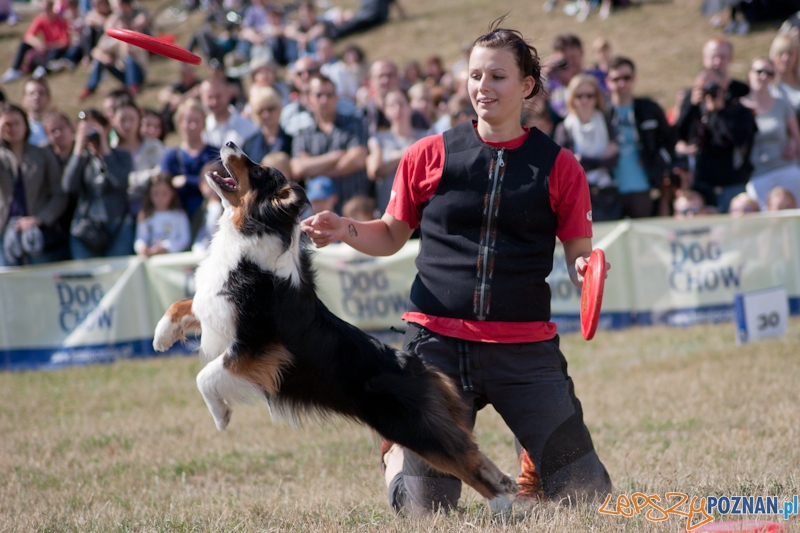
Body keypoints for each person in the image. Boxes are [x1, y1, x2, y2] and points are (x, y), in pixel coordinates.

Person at [302, 21, 612, 514]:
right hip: (437, 346)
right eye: (475, 76)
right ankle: (397, 450)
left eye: (498, 76)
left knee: (588, 496)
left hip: (524, 350)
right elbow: (392, 233)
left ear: (527, 86)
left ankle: (532, 459)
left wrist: (585, 269)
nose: (483, 87)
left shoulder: (561, 166)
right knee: (426, 512)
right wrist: (345, 228)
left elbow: (579, 250)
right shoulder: (427, 154)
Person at [605, 56, 677, 219]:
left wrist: (658, 162)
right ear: (608, 81)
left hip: (643, 186)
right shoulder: (602, 113)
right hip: (609, 189)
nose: (622, 83)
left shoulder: (649, 109)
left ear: (634, 79)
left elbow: (670, 139)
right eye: (616, 79)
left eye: (627, 78)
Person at [676, 69, 757, 212]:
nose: (709, 91)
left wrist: (720, 111)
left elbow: (739, 139)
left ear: (725, 85)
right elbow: (678, 134)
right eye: (704, 87)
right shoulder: (694, 107)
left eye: (713, 86)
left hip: (732, 180)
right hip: (703, 180)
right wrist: (692, 106)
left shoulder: (737, 108)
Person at [0, 103, 68, 266]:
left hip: (38, 229)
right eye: (7, 124)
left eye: (16, 123)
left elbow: (59, 194)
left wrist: (40, 219)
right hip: (5, 229)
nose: (12, 129)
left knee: (39, 276)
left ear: (26, 126)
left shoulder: (42, 154)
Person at [291, 74, 369, 212]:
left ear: (336, 97)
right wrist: (336, 156)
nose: (324, 100)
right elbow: (298, 168)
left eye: (329, 95)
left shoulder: (353, 124)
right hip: (318, 212)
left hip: (352, 209)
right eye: (318, 95)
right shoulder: (303, 133)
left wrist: (314, 168)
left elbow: (357, 159)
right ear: (309, 98)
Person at [62, 108, 134, 259]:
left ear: (106, 129)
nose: (90, 134)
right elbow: (68, 186)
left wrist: (105, 151)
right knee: (87, 273)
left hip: (118, 226)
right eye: (84, 130)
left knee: (119, 271)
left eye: (93, 129)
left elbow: (120, 183)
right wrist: (78, 151)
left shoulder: (122, 156)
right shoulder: (80, 159)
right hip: (86, 229)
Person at [554, 74, 621, 221]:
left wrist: (583, 160)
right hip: (578, 195)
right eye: (579, 96)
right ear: (572, 98)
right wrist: (601, 160)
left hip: (606, 193)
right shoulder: (564, 127)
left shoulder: (606, 123)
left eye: (589, 95)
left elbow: (614, 160)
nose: (584, 100)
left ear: (597, 98)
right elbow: (566, 167)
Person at [741, 57, 800, 211]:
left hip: (786, 168)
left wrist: (793, 142)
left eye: (769, 74)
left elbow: (796, 136)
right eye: (759, 71)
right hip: (758, 175)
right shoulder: (738, 107)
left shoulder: (782, 103)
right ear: (749, 74)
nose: (763, 77)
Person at [366, 89, 428, 213]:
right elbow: (374, 171)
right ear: (385, 111)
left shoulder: (426, 136)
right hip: (388, 210)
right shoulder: (377, 139)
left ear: (410, 107)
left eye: (401, 103)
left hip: (420, 209)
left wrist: (394, 159)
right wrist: (404, 154)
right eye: (392, 105)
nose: (397, 109)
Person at [160, 99, 219, 218]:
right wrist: (200, 182)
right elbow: (163, 187)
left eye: (197, 121)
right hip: (178, 216)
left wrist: (187, 180)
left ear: (204, 123)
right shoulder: (171, 157)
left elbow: (218, 184)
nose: (193, 126)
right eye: (188, 121)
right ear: (179, 123)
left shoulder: (215, 154)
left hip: (210, 216)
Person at [112, 102, 165, 215]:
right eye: (122, 120)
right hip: (118, 211)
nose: (127, 125)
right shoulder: (109, 150)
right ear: (113, 121)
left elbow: (160, 174)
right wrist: (148, 176)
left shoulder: (154, 147)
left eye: (132, 119)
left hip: (150, 209)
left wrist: (129, 181)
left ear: (139, 120)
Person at [1, 0, 70, 83]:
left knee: (55, 51)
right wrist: (39, 44)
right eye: (43, 9)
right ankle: (14, 70)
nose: (44, 12)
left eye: (47, 9)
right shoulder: (41, 19)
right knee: (24, 44)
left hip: (56, 49)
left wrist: (49, 46)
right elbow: (28, 36)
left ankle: (42, 69)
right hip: (45, 47)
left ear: (52, 9)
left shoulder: (61, 21)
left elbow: (65, 42)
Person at [134, 174, 191, 257]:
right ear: (149, 194)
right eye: (156, 193)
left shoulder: (179, 215)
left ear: (172, 193)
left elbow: (184, 240)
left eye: (164, 193)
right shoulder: (145, 215)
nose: (160, 198)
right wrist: (142, 247)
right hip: (150, 259)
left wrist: (166, 248)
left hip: (172, 259)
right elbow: (140, 238)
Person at [200, 78, 258, 149]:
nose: (214, 102)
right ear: (202, 99)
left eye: (218, 96)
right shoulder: (201, 130)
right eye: (210, 97)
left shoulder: (248, 127)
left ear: (228, 94)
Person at [242, 86, 292, 163]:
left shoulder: (291, 140)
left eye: (270, 109)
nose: (266, 115)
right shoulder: (249, 144)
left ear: (279, 108)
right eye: (260, 111)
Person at [329, 0, 407, 40]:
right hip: (366, 16)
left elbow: (396, 4)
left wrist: (403, 15)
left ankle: (335, 33)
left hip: (376, 18)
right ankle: (333, 32)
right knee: (354, 23)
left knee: (355, 25)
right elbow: (363, 9)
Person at [190, 161, 223, 253]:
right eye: (209, 184)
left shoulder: (228, 210)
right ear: (201, 186)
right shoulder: (200, 211)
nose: (214, 188)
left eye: (217, 184)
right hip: (200, 251)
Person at [769, 33, 800, 120]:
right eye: (781, 53)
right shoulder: (767, 82)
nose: (785, 58)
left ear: (797, 57)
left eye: (790, 54)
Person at [21, 77, 52, 147]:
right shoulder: (20, 129)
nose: (36, 97)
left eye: (41, 93)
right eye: (32, 93)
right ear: (24, 100)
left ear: (48, 99)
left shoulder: (58, 127)